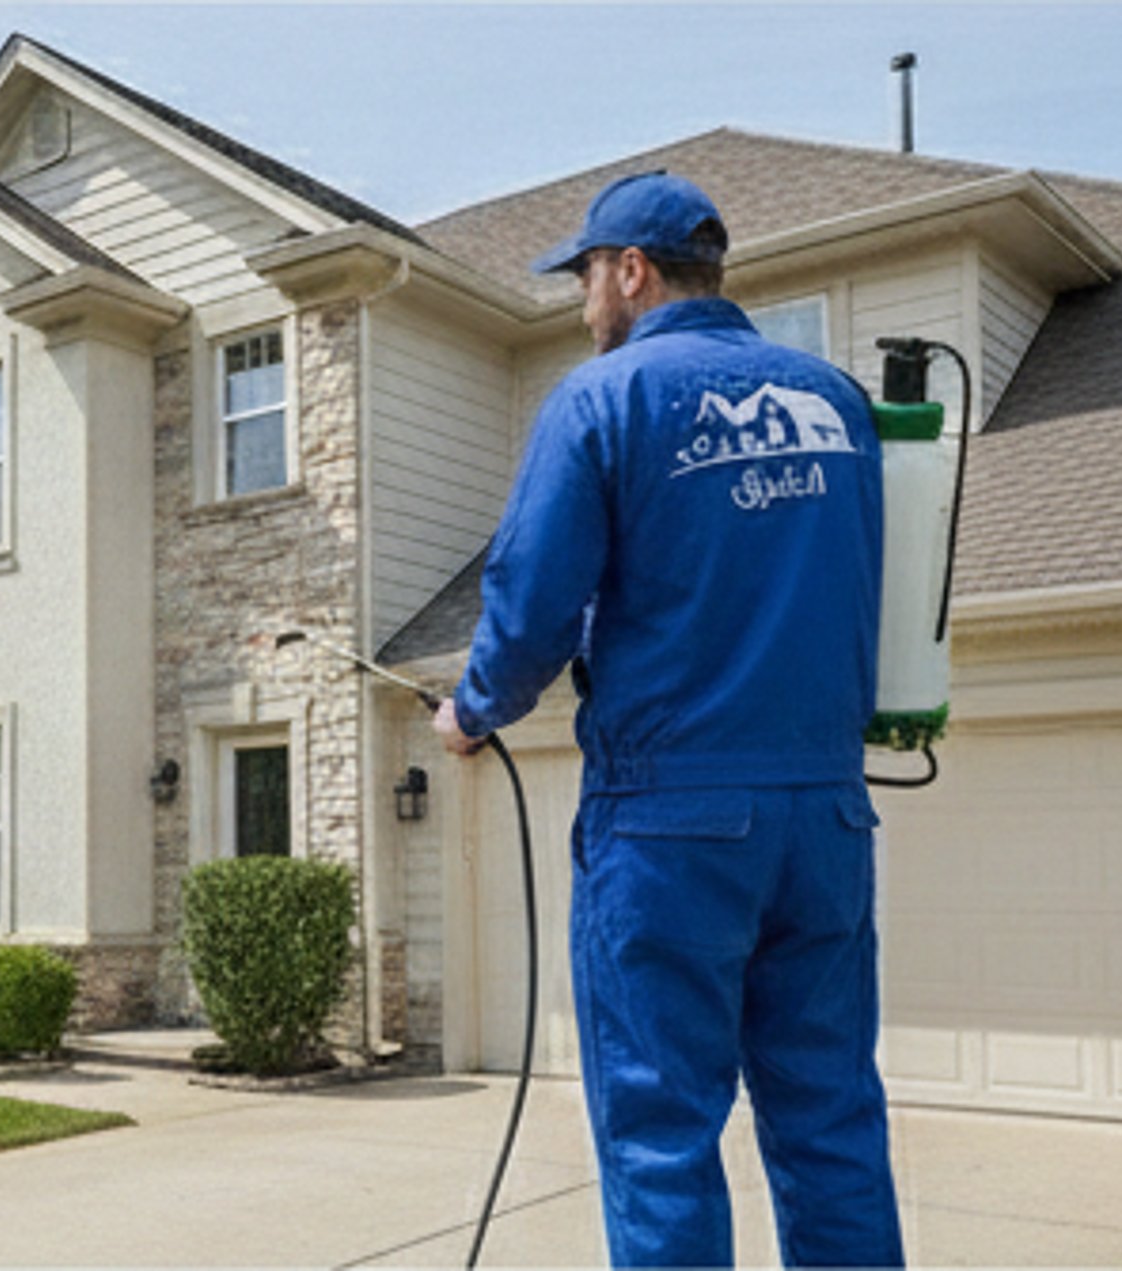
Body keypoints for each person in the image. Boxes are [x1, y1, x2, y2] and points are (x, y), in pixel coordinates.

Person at [432, 171, 904, 1267]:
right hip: (826, 817)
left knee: (660, 1133)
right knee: (832, 1119)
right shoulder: (835, 402)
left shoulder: (604, 401)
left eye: (588, 276)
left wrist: (470, 712)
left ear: (632, 271)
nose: (583, 301)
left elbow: (532, 604)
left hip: (670, 826)